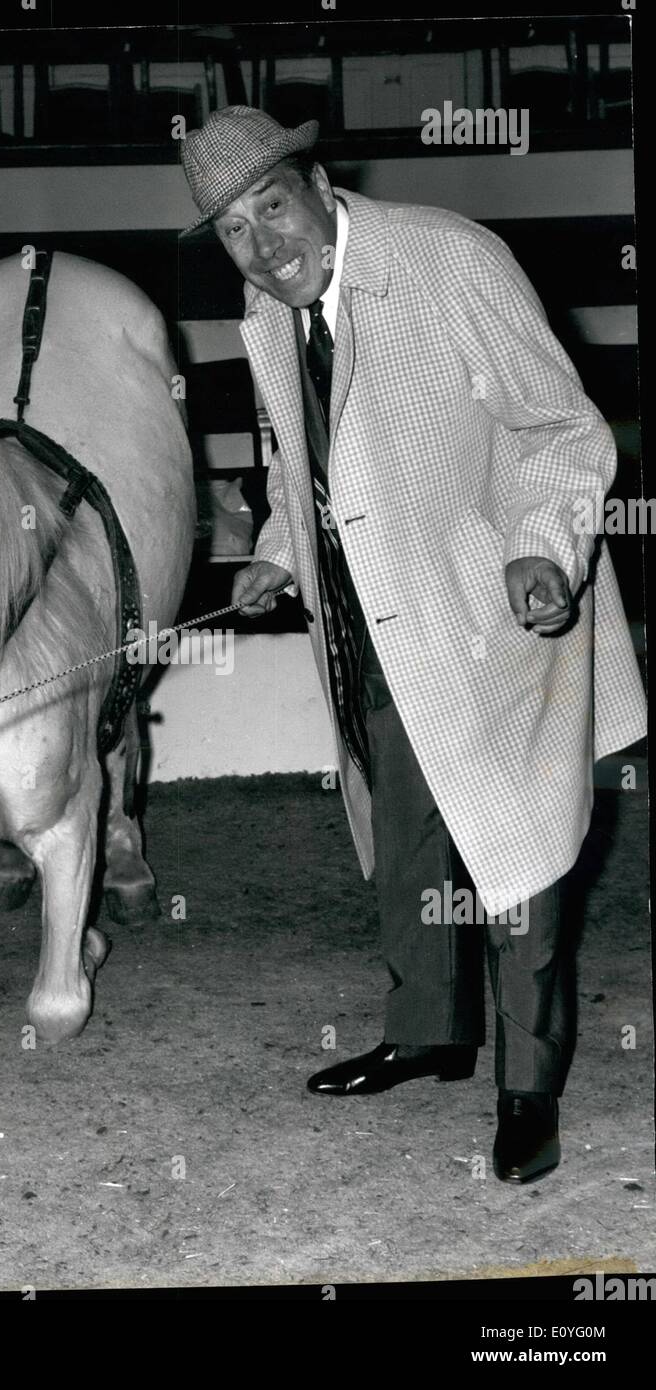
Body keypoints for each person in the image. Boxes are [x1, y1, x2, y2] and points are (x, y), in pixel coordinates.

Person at [180, 106, 646, 1184]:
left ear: (319, 182)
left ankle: (528, 1086)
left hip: (499, 611)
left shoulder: (450, 261)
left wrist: (540, 550)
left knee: (514, 855)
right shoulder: (266, 312)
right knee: (406, 836)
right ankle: (429, 1030)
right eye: (234, 233)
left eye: (272, 209)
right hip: (373, 625)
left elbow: (561, 429)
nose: (262, 246)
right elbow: (299, 459)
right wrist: (282, 552)